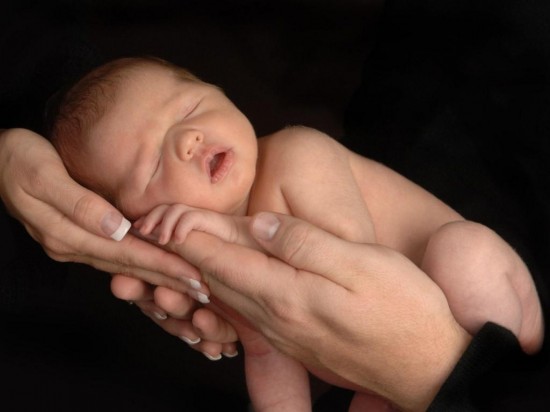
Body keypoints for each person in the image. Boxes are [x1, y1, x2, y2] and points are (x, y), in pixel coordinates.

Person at [44, 55, 543, 411]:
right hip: (389, 374)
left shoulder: (296, 154)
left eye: (189, 110)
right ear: (139, 226)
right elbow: (268, 352)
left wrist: (228, 231)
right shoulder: (211, 265)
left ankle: (509, 374)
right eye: (151, 164)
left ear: (221, 93)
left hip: (483, 314)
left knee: (464, 249)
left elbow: (355, 258)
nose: (188, 140)